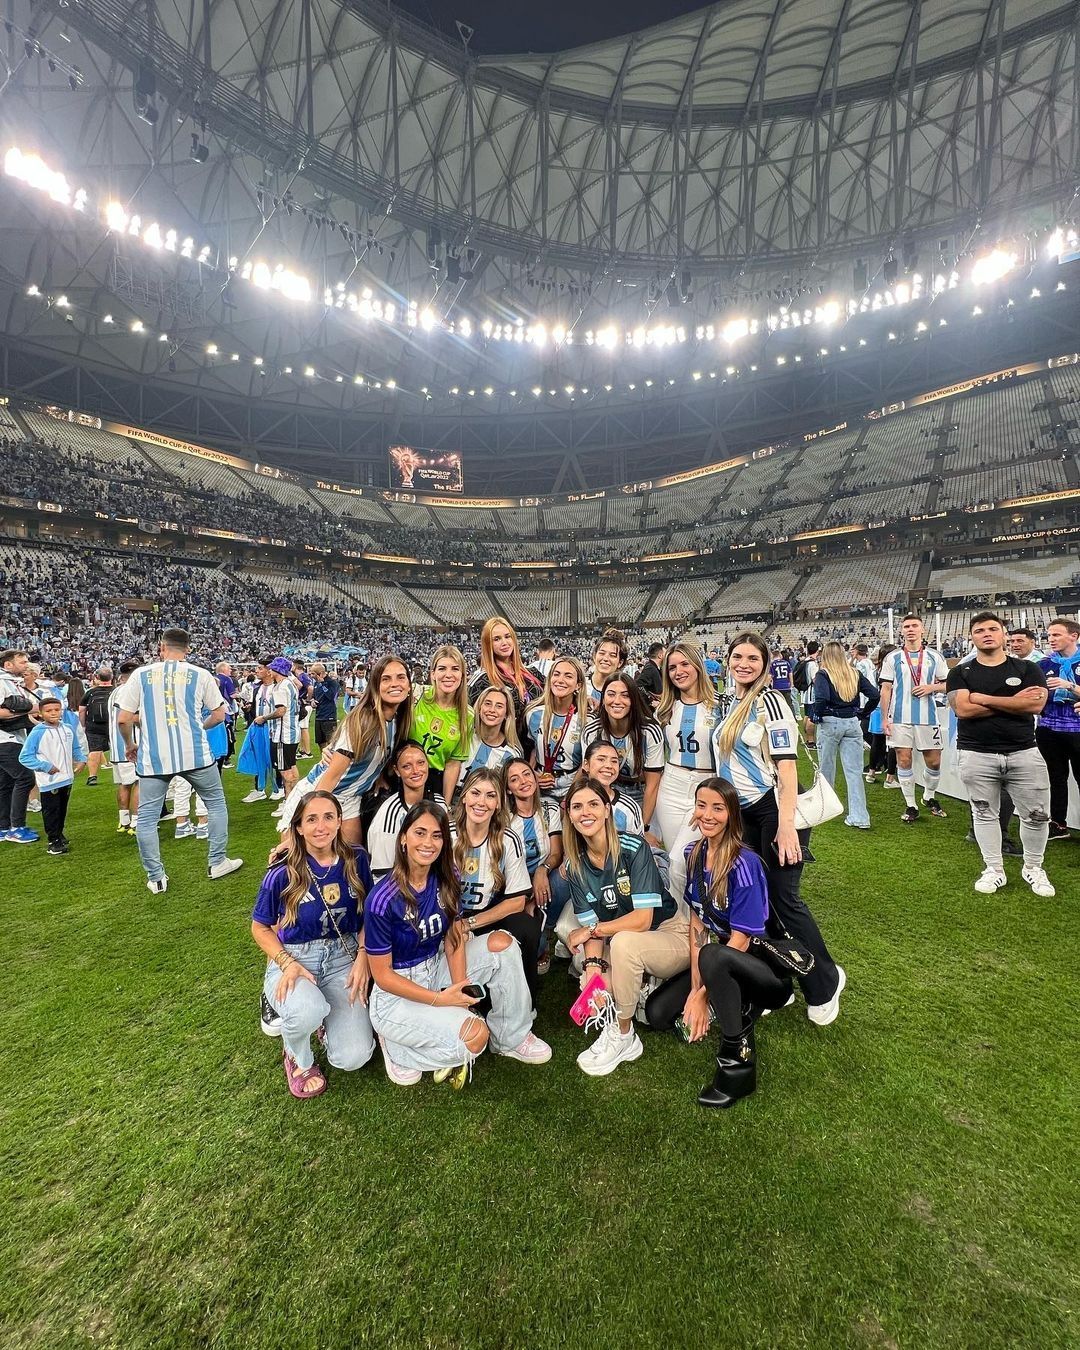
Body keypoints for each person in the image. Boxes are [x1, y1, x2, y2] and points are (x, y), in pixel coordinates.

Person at [698, 630, 845, 1026]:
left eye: (753, 658)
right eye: (738, 657)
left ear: (765, 665)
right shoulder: (732, 702)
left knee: (784, 900)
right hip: (743, 814)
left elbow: (787, 767)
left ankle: (825, 982)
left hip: (773, 810)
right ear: (728, 660)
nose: (744, 664)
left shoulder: (771, 701)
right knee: (757, 907)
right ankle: (776, 982)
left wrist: (785, 826)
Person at [366, 800, 550, 1087]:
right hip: (397, 994)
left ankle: (511, 1038)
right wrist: (440, 1000)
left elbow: (454, 938)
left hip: (434, 967)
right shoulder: (382, 899)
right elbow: (383, 976)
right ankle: (396, 1046)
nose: (428, 843)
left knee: (503, 944)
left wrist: (460, 992)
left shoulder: (447, 876)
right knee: (475, 1038)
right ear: (403, 838)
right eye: (419, 833)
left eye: (436, 835)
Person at [644, 778, 795, 1108]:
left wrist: (702, 995)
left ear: (732, 814)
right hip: (720, 963)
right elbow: (697, 924)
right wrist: (695, 988)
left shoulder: (745, 864)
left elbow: (741, 940)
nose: (708, 815)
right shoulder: (694, 853)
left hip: (762, 969)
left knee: (715, 954)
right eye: (702, 806)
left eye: (718, 808)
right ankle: (729, 1002)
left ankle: (737, 1065)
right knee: (658, 1014)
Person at [557, 778, 688, 1076]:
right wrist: (592, 968)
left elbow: (641, 920)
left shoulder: (633, 847)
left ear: (607, 810)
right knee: (589, 974)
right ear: (570, 815)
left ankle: (624, 1034)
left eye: (593, 804)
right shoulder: (575, 865)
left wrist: (593, 931)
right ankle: (641, 986)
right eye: (577, 807)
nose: (585, 812)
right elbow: (589, 926)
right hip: (624, 940)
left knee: (623, 944)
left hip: (668, 933)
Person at [251, 790, 376, 1099]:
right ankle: (298, 1057)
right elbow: (260, 927)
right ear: (298, 827)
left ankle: (321, 1021)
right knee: (308, 1010)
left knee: (353, 1057)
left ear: (340, 821)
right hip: (296, 958)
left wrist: (363, 957)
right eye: (311, 819)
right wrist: (286, 963)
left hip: (344, 955)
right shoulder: (281, 871)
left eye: (328, 817)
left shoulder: (357, 858)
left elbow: (368, 915)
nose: (321, 826)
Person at [115, 627, 243, 893]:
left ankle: (156, 877)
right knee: (215, 804)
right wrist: (199, 728)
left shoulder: (140, 674)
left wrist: (130, 745)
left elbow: (123, 719)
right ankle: (217, 861)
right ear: (188, 649)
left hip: (154, 759)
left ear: (161, 648)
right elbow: (220, 715)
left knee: (147, 817)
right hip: (196, 755)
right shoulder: (201, 674)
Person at [946, 612, 1054, 897]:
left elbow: (1035, 705)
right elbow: (963, 709)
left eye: (993, 629)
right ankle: (994, 869)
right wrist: (1013, 702)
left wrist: (982, 698)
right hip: (976, 753)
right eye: (980, 630)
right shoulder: (960, 672)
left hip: (1024, 751)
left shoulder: (1028, 668)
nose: (987, 634)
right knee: (984, 814)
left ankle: (1034, 868)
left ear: (1004, 634)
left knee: (1036, 815)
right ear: (972, 637)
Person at [276, 654, 413, 848]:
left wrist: (378, 776)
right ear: (375, 685)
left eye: (401, 677)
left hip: (350, 797)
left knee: (352, 859)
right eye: (386, 679)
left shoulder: (398, 721)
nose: (395, 684)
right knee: (296, 858)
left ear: (409, 685)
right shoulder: (363, 721)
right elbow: (331, 777)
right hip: (320, 792)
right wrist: (312, 818)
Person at [451, 767, 540, 1004]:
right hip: (447, 917)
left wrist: (470, 924)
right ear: (464, 797)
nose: (482, 802)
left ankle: (525, 999)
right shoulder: (445, 835)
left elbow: (518, 901)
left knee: (526, 926)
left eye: (490, 796)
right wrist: (455, 925)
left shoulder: (508, 839)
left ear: (499, 804)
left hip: (483, 916)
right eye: (475, 793)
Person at [879, 614, 950, 824]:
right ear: (902, 631)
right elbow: (885, 689)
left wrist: (931, 687)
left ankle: (928, 796)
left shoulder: (935, 656)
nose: (910, 629)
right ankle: (911, 805)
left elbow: (948, 684)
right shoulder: (892, 657)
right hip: (899, 717)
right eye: (907, 626)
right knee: (903, 759)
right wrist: (884, 719)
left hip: (928, 717)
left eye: (914, 626)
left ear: (922, 630)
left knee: (934, 762)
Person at [653, 641, 717, 848]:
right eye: (672, 667)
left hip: (708, 785)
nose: (678, 672)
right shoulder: (663, 710)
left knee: (698, 855)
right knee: (675, 855)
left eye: (684, 664)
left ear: (697, 666)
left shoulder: (720, 706)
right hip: (672, 787)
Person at [810, 642, 879, 830]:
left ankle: (825, 810)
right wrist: (864, 713)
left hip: (830, 722)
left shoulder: (823, 674)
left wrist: (816, 714)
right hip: (852, 723)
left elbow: (821, 698)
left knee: (826, 769)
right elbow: (874, 695)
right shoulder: (854, 673)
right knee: (854, 772)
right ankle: (860, 817)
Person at [583, 672, 664, 824]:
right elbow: (589, 774)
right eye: (611, 694)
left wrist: (644, 826)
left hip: (640, 791)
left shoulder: (649, 731)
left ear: (633, 700)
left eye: (625, 695)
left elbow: (652, 784)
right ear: (603, 698)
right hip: (603, 789)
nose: (617, 701)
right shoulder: (592, 730)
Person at [504, 756, 564, 959]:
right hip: (514, 886)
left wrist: (542, 870)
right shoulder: (503, 817)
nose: (523, 781)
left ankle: (546, 925)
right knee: (530, 950)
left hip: (544, 879)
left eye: (527, 774)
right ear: (508, 789)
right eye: (514, 779)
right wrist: (526, 896)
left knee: (565, 875)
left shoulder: (549, 808)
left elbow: (556, 853)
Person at [366, 739, 449, 877]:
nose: (416, 771)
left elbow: (450, 850)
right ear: (397, 771)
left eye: (421, 763)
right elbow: (380, 874)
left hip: (433, 882)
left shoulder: (439, 803)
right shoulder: (388, 815)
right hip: (398, 886)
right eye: (407, 766)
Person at [19, 695, 87, 855]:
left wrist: (81, 760)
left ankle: (59, 834)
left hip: (67, 778)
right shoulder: (37, 733)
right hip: (49, 781)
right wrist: (45, 766)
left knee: (62, 809)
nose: (53, 713)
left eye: (57, 709)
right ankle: (53, 841)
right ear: (40, 714)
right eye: (49, 711)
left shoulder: (67, 728)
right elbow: (25, 757)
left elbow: (75, 747)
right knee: (51, 811)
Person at [1035, 618, 1080, 841]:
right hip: (1048, 729)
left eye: (1056, 635)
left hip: (1077, 729)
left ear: (1074, 636)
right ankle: (1058, 824)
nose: (1050, 639)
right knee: (1056, 777)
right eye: (1049, 635)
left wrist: (1069, 686)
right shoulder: (1043, 664)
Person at [411, 645, 471, 800]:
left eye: (455, 669)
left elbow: (453, 763)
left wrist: (446, 803)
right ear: (433, 673)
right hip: (403, 775)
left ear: (463, 675)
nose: (448, 675)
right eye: (442, 668)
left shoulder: (468, 715)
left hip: (434, 783)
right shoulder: (416, 695)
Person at [467, 617, 543, 739]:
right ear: (488, 644)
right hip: (503, 747)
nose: (504, 643)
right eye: (497, 639)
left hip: (539, 745)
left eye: (507, 636)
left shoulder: (533, 674)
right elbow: (468, 718)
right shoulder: (482, 681)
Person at [524, 656, 586, 800]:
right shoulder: (533, 714)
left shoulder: (586, 720)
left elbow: (586, 762)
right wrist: (531, 774)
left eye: (568, 676)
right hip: (539, 785)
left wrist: (571, 794)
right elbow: (532, 748)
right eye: (556, 674)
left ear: (578, 685)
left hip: (572, 787)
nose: (560, 680)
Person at [0, 648, 39, 844]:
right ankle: (16, 828)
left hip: (11, 737)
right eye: (22, 662)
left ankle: (3, 827)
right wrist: (27, 712)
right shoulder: (2, 682)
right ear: (8, 665)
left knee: (5, 783)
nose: (26, 665)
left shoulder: (11, 682)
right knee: (25, 777)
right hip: (5, 739)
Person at [460, 686, 521, 781]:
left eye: (499, 706)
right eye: (488, 704)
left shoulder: (511, 754)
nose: (492, 710)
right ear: (479, 708)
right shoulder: (464, 735)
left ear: (506, 714)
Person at [262, 656, 301, 800]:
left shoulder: (280, 687)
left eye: (272, 668)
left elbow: (280, 711)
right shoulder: (290, 684)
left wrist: (264, 718)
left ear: (277, 670)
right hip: (292, 731)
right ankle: (296, 799)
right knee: (291, 766)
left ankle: (289, 801)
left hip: (282, 734)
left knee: (285, 771)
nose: (270, 670)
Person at [241, 661, 277, 804]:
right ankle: (259, 789)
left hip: (274, 728)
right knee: (258, 757)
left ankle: (279, 788)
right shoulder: (257, 688)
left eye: (260, 668)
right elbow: (255, 706)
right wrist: (248, 709)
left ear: (269, 671)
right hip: (259, 727)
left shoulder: (278, 687)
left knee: (274, 758)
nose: (256, 671)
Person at [78, 667, 113, 785]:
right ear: (111, 677)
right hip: (113, 724)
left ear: (97, 677)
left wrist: (83, 725)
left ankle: (92, 776)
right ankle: (124, 772)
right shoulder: (116, 691)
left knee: (94, 750)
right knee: (119, 747)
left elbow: (82, 710)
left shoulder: (90, 692)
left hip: (94, 725)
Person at [585, 629, 627, 712]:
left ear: (620, 662)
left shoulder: (625, 691)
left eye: (612, 655)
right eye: (602, 653)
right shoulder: (581, 686)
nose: (605, 658)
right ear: (594, 656)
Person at [310, 663, 340, 750]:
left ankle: (332, 758)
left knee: (331, 742)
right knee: (321, 742)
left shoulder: (332, 683)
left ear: (320, 673)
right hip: (318, 716)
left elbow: (330, 696)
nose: (311, 676)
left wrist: (323, 683)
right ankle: (323, 758)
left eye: (313, 674)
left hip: (329, 717)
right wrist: (312, 701)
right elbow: (314, 697)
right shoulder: (316, 683)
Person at [215, 661, 238, 765]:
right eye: (229, 668)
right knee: (228, 735)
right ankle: (225, 759)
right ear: (223, 669)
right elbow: (232, 695)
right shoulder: (227, 679)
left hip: (213, 711)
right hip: (225, 711)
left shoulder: (213, 678)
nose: (230, 670)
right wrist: (243, 696)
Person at [635, 643, 664, 708]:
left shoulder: (654, 667)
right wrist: (650, 700)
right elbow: (637, 686)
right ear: (660, 655)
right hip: (650, 710)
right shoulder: (650, 668)